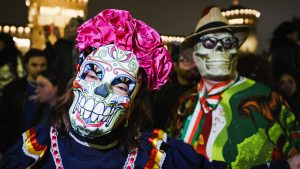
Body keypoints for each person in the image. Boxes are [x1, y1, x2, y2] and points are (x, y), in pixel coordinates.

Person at [0, 9, 226, 169]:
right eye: (91, 74)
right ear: (76, 80)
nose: (101, 91)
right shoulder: (34, 150)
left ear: (134, 103)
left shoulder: (159, 156)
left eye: (120, 85)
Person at [168, 7, 300, 169]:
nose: (219, 48)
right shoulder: (184, 104)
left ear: (235, 50)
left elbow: (295, 159)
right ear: (195, 54)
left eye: (227, 42)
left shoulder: (267, 100)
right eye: (208, 42)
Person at [0, 49, 47, 154]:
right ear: (26, 65)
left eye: (42, 65)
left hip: (42, 146)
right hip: (16, 144)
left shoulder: (53, 90)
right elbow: (4, 121)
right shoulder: (12, 89)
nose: (39, 69)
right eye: (34, 65)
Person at [151, 43, 200, 129]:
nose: (194, 65)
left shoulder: (203, 90)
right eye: (187, 61)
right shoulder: (162, 92)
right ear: (175, 65)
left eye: (196, 60)